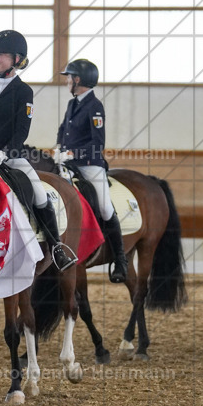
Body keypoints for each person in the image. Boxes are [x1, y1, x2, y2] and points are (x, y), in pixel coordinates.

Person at [0, 29, 75, 269]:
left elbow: (21, 131)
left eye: (0, 54)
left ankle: (56, 247)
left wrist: (4, 153)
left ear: (16, 59)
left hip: (10, 157)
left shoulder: (24, 91)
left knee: (39, 194)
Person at [55, 59, 127, 283]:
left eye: (69, 77)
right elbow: (63, 130)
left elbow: (98, 142)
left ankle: (120, 260)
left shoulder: (95, 106)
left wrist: (73, 153)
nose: (67, 81)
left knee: (105, 208)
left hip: (89, 165)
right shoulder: (72, 104)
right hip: (68, 163)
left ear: (78, 79)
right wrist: (58, 148)